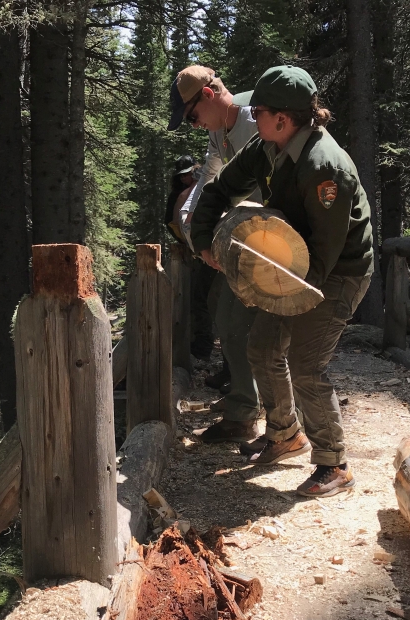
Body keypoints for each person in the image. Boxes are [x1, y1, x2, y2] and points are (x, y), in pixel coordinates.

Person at [190, 66, 374, 497]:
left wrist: (273, 287)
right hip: (298, 265)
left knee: (308, 365)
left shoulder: (326, 167)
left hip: (338, 273)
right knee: (264, 347)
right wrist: (202, 240)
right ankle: (285, 433)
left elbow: (323, 257)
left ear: (284, 119)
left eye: (260, 110)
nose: (252, 115)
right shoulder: (266, 146)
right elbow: (218, 189)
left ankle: (334, 464)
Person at [167, 65, 262, 442]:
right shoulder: (218, 132)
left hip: (270, 242)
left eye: (192, 117)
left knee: (236, 324)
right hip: (246, 239)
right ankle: (245, 398)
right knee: (219, 305)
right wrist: (192, 223)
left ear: (207, 96)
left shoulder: (256, 121)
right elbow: (209, 178)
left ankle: (246, 414)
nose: (194, 125)